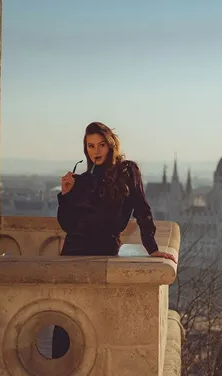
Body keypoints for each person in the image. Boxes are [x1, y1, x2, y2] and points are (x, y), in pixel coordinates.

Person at [52, 121, 175, 358]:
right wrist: (65, 195)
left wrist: (152, 248)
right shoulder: (81, 181)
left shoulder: (127, 171)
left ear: (110, 145)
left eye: (101, 145)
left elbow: (142, 209)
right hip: (73, 253)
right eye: (90, 146)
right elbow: (67, 225)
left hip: (104, 250)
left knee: (96, 319)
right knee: (65, 318)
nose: (96, 151)